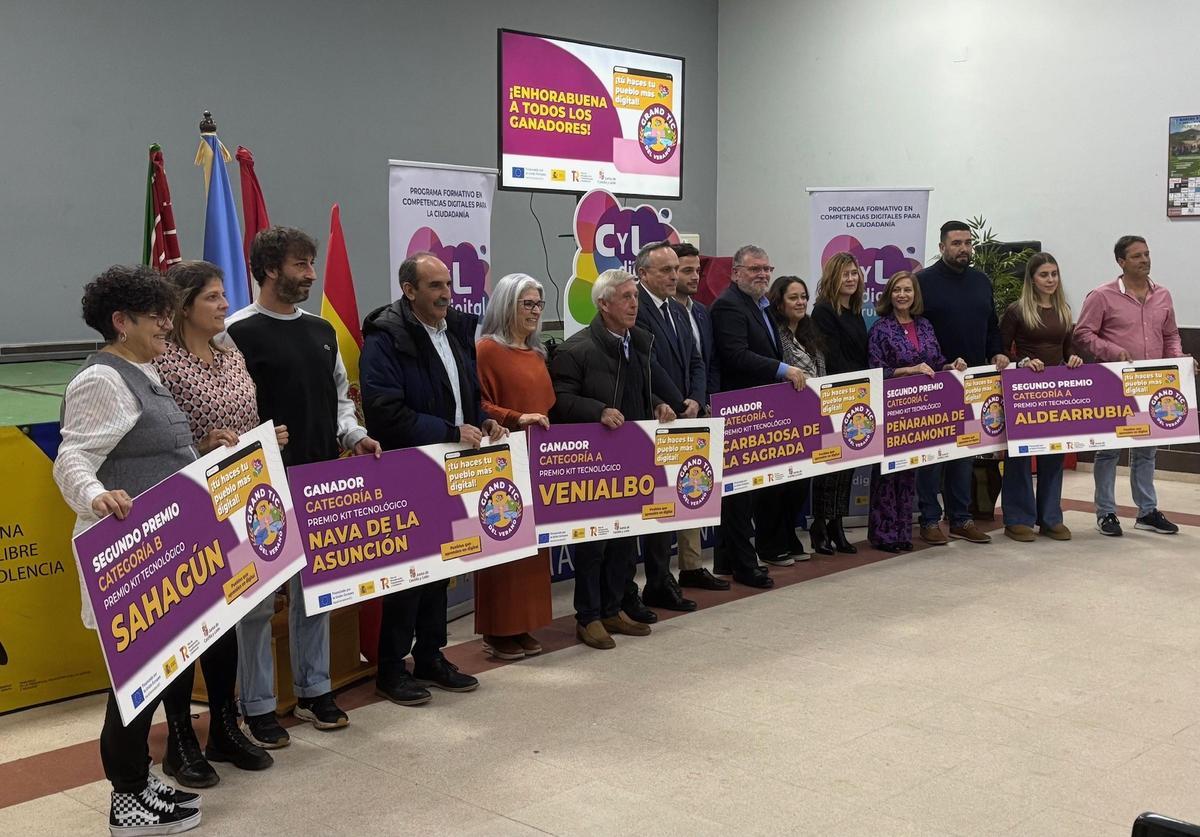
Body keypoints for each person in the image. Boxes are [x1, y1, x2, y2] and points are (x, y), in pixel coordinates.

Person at [53, 265, 202, 835]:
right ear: (121, 321)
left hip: (162, 552)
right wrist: (95, 495)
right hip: (126, 557)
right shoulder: (102, 380)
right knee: (133, 687)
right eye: (157, 315)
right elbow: (73, 458)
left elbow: (154, 447)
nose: (169, 323)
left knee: (154, 678)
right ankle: (127, 800)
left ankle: (140, 783)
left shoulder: (143, 370)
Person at [223, 226, 381, 745]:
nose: (311, 274)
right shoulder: (236, 332)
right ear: (270, 269)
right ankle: (259, 705)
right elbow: (228, 406)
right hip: (260, 487)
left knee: (315, 593)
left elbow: (339, 396)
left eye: (313, 264)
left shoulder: (320, 330)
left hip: (320, 477)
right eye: (301, 265)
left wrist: (354, 434)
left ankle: (315, 691)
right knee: (261, 601)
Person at [152, 261, 281, 786]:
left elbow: (246, 417)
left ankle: (225, 725)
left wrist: (265, 439)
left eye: (224, 294)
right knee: (186, 629)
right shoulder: (164, 362)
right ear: (183, 307)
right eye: (211, 297)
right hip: (185, 506)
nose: (224, 303)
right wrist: (199, 446)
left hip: (238, 501)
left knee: (227, 619)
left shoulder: (231, 351)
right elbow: (160, 435)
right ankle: (181, 738)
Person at [359, 252, 504, 702]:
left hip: (458, 464)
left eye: (447, 286)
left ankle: (431, 655)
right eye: (435, 286)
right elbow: (385, 411)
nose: (446, 294)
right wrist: (447, 430)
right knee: (410, 572)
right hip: (411, 466)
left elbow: (466, 395)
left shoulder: (457, 331)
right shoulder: (387, 337)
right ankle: (391, 666)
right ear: (409, 290)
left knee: (444, 565)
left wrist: (482, 421)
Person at [549, 268, 677, 649]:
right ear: (603, 304)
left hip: (632, 457)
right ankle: (587, 617)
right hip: (593, 465)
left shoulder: (637, 343)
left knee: (624, 540)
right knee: (593, 545)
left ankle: (612, 608)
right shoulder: (576, 350)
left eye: (635, 296)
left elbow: (641, 389)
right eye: (625, 297)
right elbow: (559, 401)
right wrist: (598, 410)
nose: (634, 304)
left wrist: (658, 405)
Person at [710, 245, 808, 589]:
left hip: (762, 409)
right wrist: (783, 369)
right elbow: (736, 355)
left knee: (747, 490)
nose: (763, 275)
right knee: (738, 495)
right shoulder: (728, 305)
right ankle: (742, 564)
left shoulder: (761, 306)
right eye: (755, 269)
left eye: (767, 268)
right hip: (738, 408)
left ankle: (726, 558)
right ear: (736, 272)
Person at [1075, 235, 1184, 537]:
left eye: (1147, 254)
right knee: (1109, 452)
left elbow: (1171, 335)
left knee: (1147, 451)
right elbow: (1083, 334)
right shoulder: (1101, 295)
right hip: (1114, 382)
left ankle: (1147, 511)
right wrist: (1112, 351)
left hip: (1153, 383)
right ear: (1121, 262)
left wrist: (1179, 358)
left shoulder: (1162, 295)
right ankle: (1106, 512)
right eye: (1137, 256)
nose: (1145, 260)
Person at [473, 273, 555, 661]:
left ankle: (523, 624)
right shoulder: (487, 350)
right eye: (528, 304)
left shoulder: (537, 354)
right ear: (507, 305)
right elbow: (479, 404)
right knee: (503, 542)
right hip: (501, 458)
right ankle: (497, 629)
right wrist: (514, 417)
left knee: (532, 549)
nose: (536, 311)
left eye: (539, 304)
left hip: (536, 459)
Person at [916, 220, 1009, 545]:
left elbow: (992, 326)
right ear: (942, 247)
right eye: (956, 243)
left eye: (968, 243)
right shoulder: (922, 282)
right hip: (935, 380)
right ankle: (928, 519)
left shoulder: (981, 281)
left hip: (974, 382)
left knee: (963, 454)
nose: (964, 249)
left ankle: (961, 518)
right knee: (931, 455)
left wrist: (996, 353)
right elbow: (911, 330)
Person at [634, 240, 704, 613]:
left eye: (676, 270)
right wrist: (678, 402)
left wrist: (695, 397)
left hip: (684, 414)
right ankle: (657, 582)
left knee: (678, 500)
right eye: (666, 270)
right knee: (659, 505)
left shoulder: (677, 310)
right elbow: (649, 365)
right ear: (643, 273)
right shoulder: (638, 308)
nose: (674, 277)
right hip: (656, 416)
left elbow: (696, 359)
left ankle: (667, 579)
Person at [867, 271, 956, 552]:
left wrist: (951, 366)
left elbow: (936, 360)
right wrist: (908, 370)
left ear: (915, 294)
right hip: (891, 408)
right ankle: (884, 535)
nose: (902, 295)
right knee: (887, 472)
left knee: (908, 472)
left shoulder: (926, 326)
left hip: (920, 411)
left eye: (907, 290)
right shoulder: (881, 328)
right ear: (889, 295)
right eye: (897, 290)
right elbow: (874, 370)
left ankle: (903, 532)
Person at [998, 253, 1083, 543]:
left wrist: (1073, 359)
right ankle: (1018, 518)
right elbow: (999, 351)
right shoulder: (1017, 310)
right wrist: (1022, 362)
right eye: (1044, 275)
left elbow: (1069, 349)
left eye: (1054, 274)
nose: (1050, 280)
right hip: (1024, 391)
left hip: (1056, 392)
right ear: (1032, 279)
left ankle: (1050, 517)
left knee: (1053, 454)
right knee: (1020, 456)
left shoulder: (1064, 310)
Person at [670, 242, 728, 592]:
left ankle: (692, 565)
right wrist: (685, 401)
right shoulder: (657, 312)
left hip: (703, 409)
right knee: (670, 494)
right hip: (672, 412)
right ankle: (668, 572)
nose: (693, 277)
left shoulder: (702, 312)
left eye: (696, 270)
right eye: (685, 270)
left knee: (695, 488)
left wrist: (709, 399)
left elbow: (710, 361)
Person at [810, 253, 869, 556]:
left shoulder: (856, 311)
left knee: (848, 465)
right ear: (833, 277)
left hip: (858, 395)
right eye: (845, 274)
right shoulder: (823, 311)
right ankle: (820, 524)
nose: (850, 279)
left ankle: (838, 523)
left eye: (854, 274)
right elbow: (829, 356)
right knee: (830, 466)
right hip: (835, 395)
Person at [766, 274, 825, 559]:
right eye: (793, 297)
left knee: (801, 485)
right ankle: (775, 541)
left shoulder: (809, 330)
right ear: (779, 302)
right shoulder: (775, 333)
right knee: (781, 486)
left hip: (811, 416)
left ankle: (790, 536)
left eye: (803, 296)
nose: (800, 302)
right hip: (784, 418)